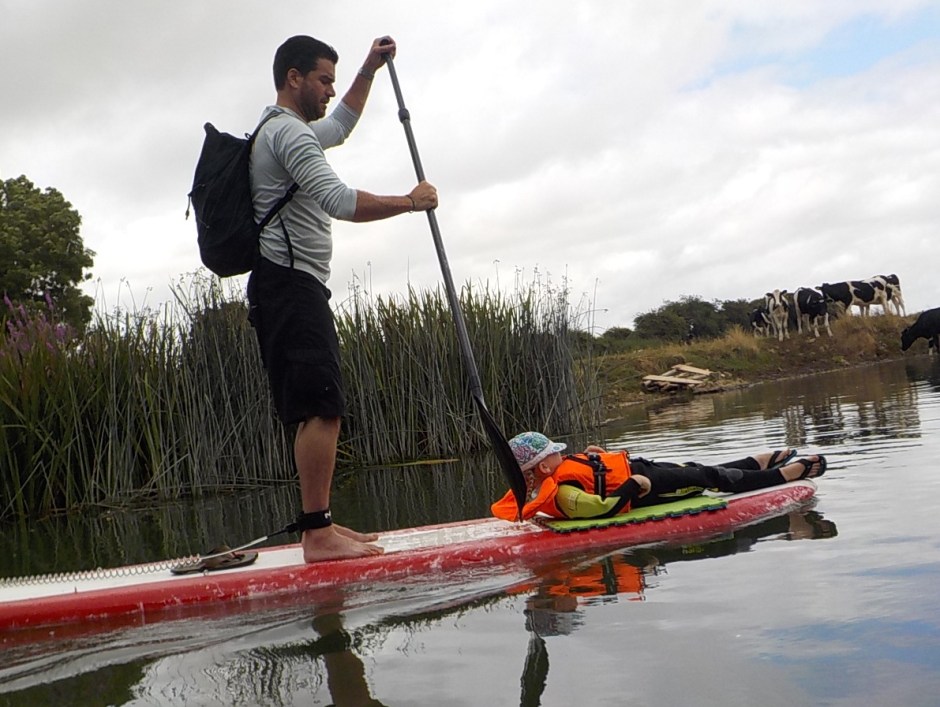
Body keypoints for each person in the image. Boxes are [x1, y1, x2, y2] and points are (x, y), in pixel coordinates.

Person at [247, 35, 438, 563]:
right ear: (294, 78)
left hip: (291, 285)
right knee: (321, 407)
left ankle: (320, 523)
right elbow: (338, 200)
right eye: (324, 80)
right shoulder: (288, 133)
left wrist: (368, 69)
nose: (331, 90)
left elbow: (342, 124)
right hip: (289, 284)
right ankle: (317, 536)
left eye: (334, 80)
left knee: (320, 404)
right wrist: (410, 202)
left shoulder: (285, 129)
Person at [491, 431, 827, 521]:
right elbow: (601, 508)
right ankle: (783, 476)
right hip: (647, 487)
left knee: (696, 468)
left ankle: (755, 463)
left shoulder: (557, 472)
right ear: (543, 468)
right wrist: (631, 486)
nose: (561, 454)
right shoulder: (563, 493)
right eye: (555, 453)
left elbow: (592, 476)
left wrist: (596, 458)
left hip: (643, 467)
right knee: (708, 478)